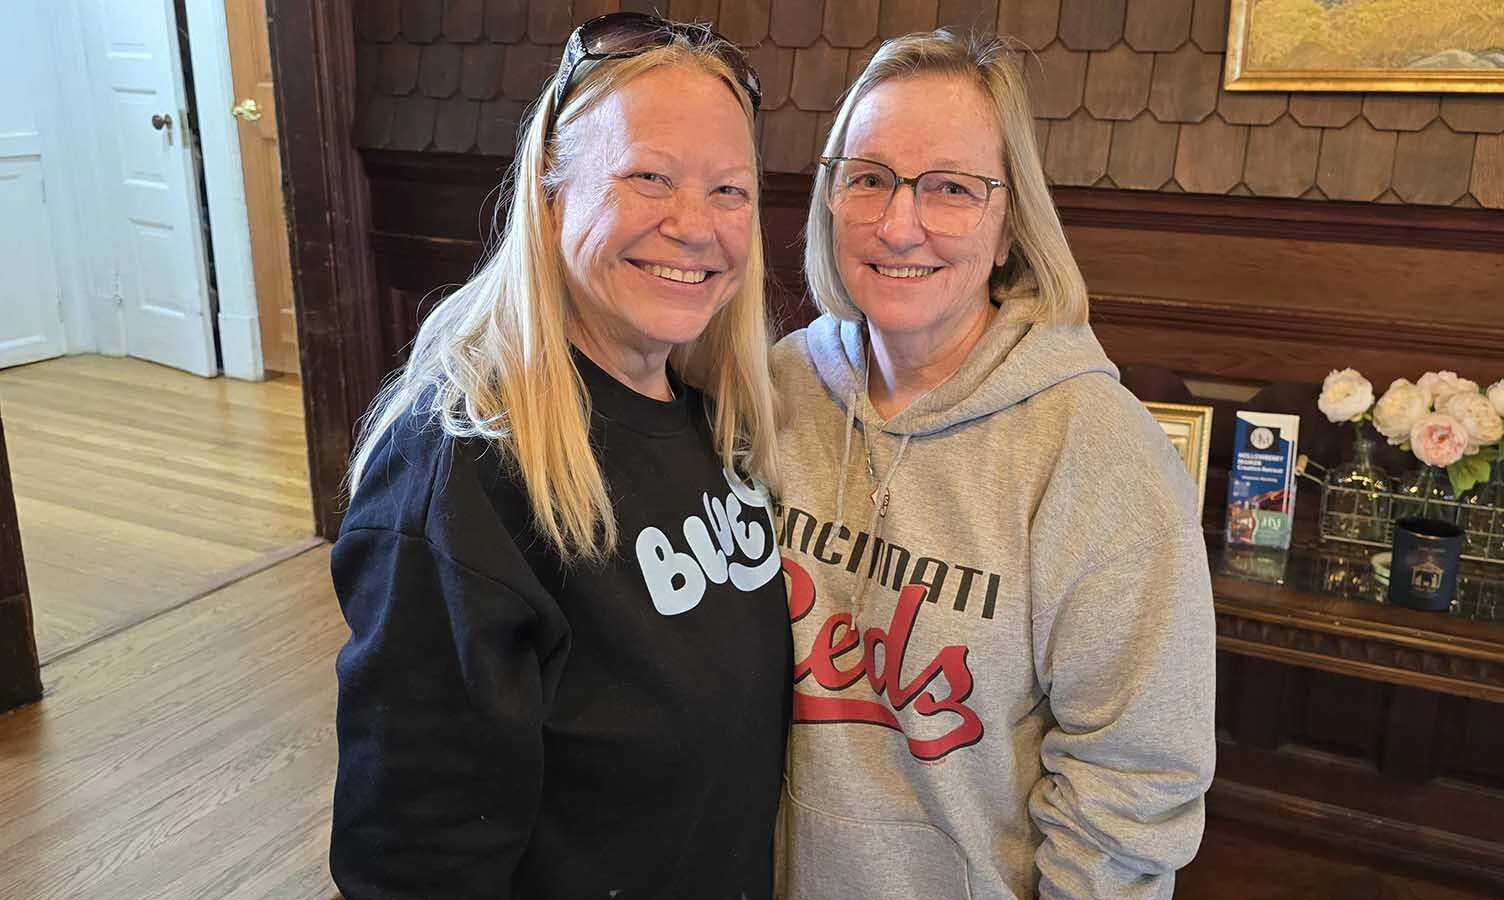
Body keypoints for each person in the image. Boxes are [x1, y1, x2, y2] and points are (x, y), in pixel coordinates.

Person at [329, 14, 790, 899]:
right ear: (550, 195)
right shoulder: (460, 472)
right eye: (648, 176)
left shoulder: (711, 417)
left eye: (728, 190)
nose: (695, 226)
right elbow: (415, 859)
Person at [770, 30, 1216, 900]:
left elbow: (1132, 787)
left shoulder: (1097, 449)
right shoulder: (777, 388)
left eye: (950, 189)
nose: (902, 224)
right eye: (868, 178)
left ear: (1011, 221)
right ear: (831, 197)